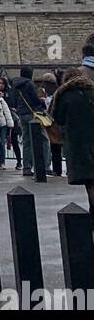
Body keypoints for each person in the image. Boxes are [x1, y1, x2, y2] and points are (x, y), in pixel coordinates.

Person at [51, 68, 94, 222]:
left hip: (78, 143)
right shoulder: (92, 91)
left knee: (90, 181)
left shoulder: (64, 95)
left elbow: (58, 118)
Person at [11, 66, 51, 177]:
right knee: (44, 139)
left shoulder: (15, 85)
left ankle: (27, 167)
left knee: (26, 141)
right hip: (32, 114)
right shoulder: (29, 84)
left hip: (21, 115)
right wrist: (42, 103)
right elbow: (35, 99)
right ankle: (46, 166)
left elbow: (13, 101)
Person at [0, 76, 22, 169]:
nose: (0, 85)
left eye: (2, 83)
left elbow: (13, 104)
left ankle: (19, 161)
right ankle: (1, 161)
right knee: (0, 141)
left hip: (10, 119)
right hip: (1, 120)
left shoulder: (10, 93)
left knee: (14, 141)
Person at [40, 74, 64, 176]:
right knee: (55, 147)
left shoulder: (58, 92)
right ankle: (57, 170)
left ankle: (58, 170)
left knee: (60, 147)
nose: (45, 88)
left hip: (58, 122)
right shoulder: (54, 92)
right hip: (53, 123)